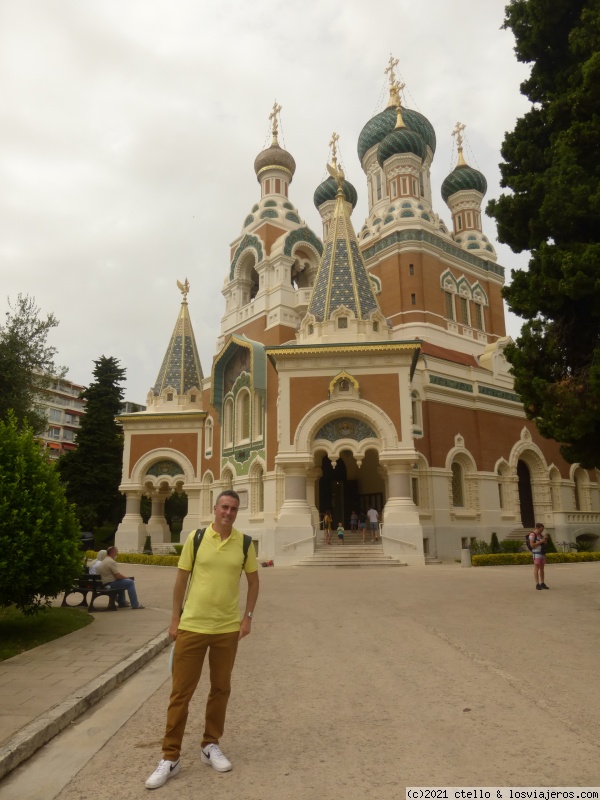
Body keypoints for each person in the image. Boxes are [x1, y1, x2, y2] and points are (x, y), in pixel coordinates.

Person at [145, 490, 259, 790]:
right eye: (224, 507)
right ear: (214, 508)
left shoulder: (244, 543)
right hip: (193, 626)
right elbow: (181, 580)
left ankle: (210, 745)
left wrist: (247, 617)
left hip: (226, 629)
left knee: (221, 688)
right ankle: (170, 756)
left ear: (237, 512)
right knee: (181, 692)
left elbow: (254, 581)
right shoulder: (196, 539)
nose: (228, 513)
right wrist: (174, 620)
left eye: (233, 509)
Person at [529, 522, 549, 590]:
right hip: (536, 553)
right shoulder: (532, 534)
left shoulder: (540, 535)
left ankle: (542, 583)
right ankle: (537, 584)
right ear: (537, 528)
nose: (542, 531)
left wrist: (545, 540)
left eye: (542, 530)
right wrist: (541, 541)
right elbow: (532, 545)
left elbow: (544, 544)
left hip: (542, 553)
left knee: (542, 569)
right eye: (541, 529)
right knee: (536, 568)